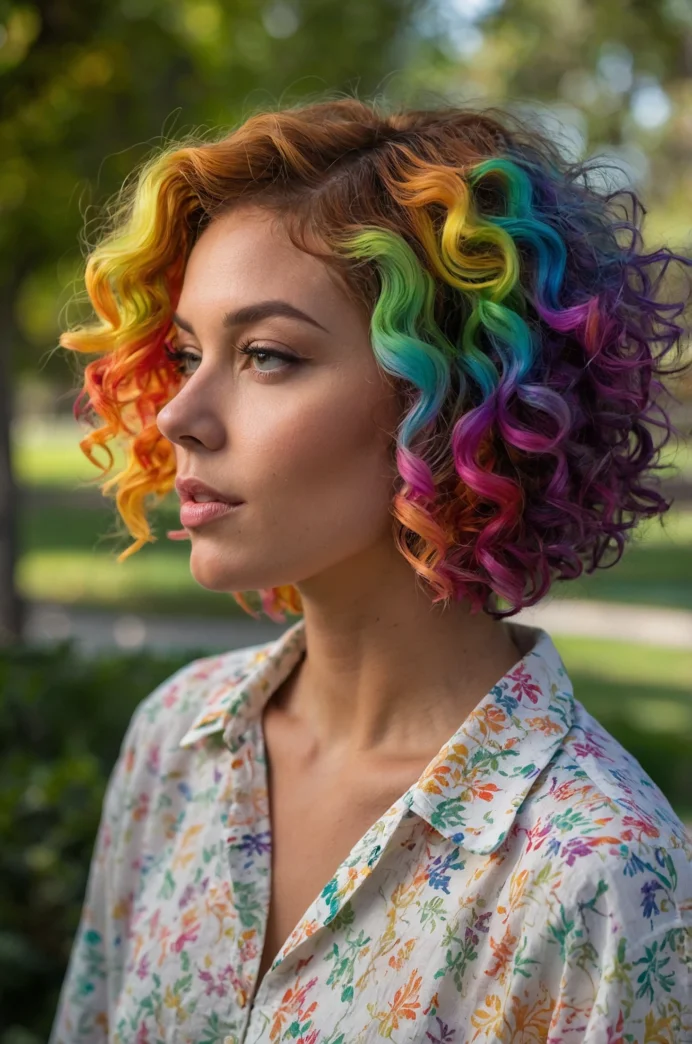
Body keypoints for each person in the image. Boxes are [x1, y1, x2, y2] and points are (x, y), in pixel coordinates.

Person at [50, 95, 692, 1044]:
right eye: (188, 352)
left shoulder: (599, 874)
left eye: (266, 356)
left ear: (450, 400)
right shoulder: (176, 746)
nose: (180, 412)